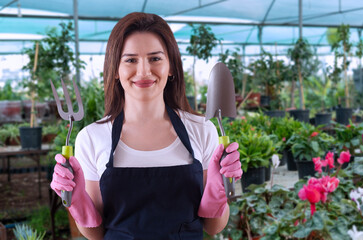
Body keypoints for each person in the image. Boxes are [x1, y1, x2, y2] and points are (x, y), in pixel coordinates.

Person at [50, 12, 242, 240]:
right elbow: (96, 235)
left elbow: (213, 227)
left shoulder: (201, 130)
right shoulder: (92, 137)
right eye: (130, 60)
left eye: (155, 58)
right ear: (115, 70)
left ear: (171, 66)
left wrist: (220, 189)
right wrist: (77, 199)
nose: (143, 71)